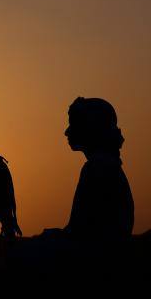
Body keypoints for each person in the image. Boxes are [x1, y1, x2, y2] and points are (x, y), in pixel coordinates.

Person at [16, 97, 134, 267]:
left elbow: (81, 234)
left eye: (74, 124)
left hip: (97, 259)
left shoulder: (97, 168)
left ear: (90, 127)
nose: (67, 132)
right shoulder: (105, 165)